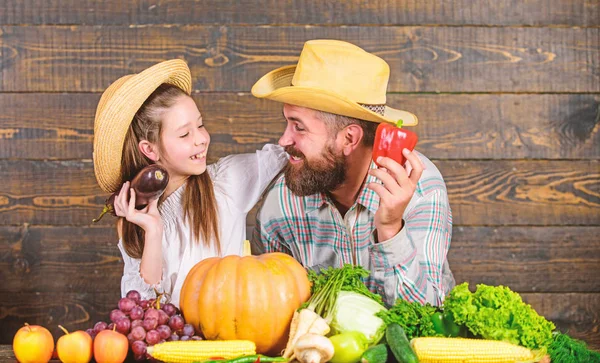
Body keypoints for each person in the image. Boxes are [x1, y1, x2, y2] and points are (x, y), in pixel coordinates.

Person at [250, 40, 454, 307]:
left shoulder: (422, 190)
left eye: (298, 127)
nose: (283, 140)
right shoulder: (280, 204)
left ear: (349, 139)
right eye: (287, 123)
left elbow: (424, 315)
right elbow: (266, 310)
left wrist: (391, 228)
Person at [93, 59, 287, 307]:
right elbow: (142, 308)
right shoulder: (133, 223)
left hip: (232, 334)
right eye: (185, 134)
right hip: (174, 344)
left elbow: (288, 154)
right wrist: (153, 232)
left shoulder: (226, 182)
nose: (201, 139)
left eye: (200, 125)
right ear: (150, 150)